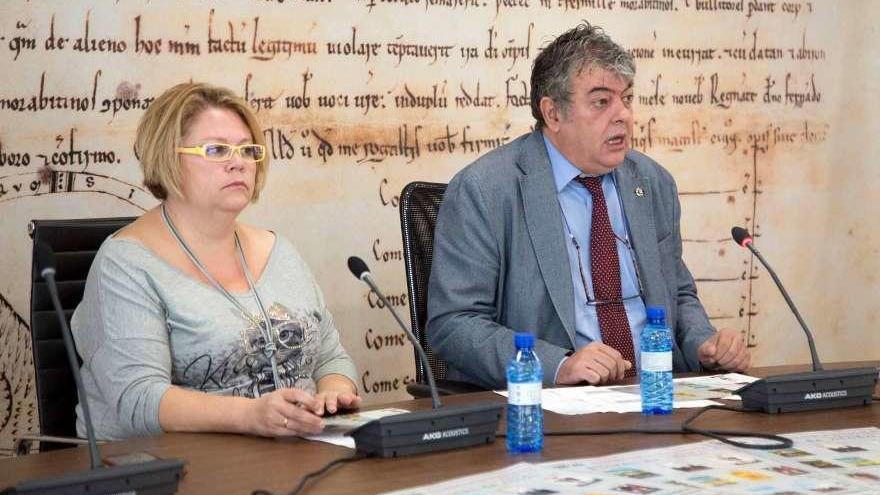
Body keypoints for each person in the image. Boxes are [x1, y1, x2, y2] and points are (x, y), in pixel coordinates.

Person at [426, 23, 750, 390]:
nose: (623, 115)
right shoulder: (485, 190)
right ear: (553, 114)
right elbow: (454, 323)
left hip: (659, 393)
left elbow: (677, 292)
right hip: (555, 406)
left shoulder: (652, 182)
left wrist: (702, 342)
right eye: (601, 102)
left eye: (626, 99)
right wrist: (557, 366)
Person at [71, 82, 360, 441]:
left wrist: (333, 393)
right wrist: (252, 416)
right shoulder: (125, 263)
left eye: (247, 150)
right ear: (167, 157)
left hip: (293, 454)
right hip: (166, 469)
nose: (238, 163)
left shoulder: (279, 250)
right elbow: (138, 400)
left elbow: (331, 357)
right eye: (216, 150)